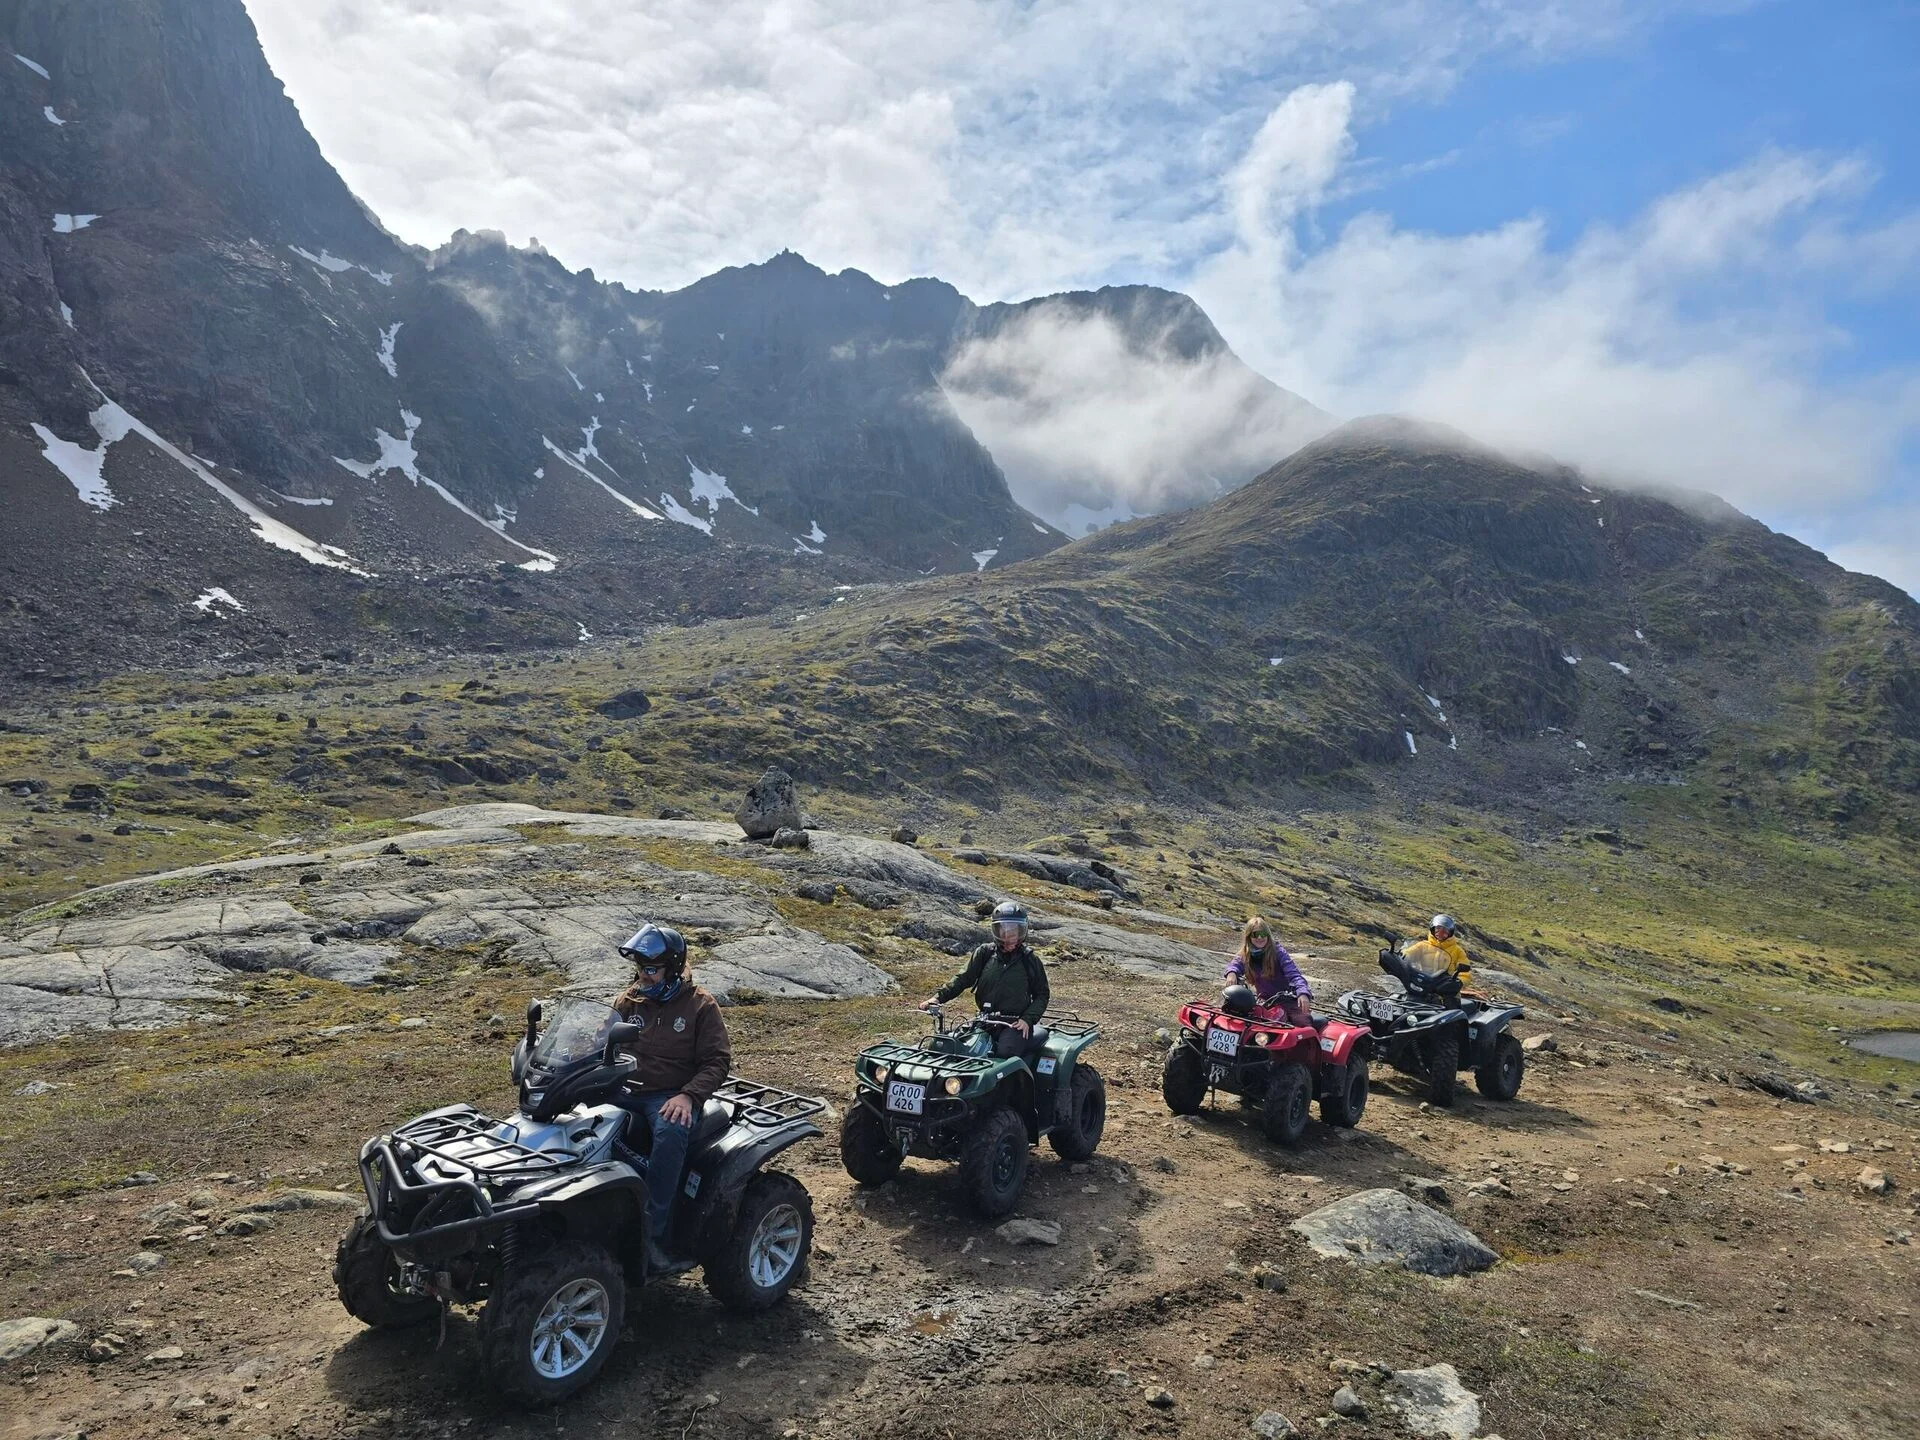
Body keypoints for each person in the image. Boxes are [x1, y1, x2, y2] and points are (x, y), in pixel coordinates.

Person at [611, 922, 731, 1273]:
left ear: (673, 968)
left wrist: (689, 1096)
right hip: (622, 1088)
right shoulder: (628, 1000)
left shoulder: (700, 1006)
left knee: (670, 1132)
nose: (643, 977)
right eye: (639, 969)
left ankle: (654, 1235)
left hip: (668, 1095)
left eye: (650, 969)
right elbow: (600, 1039)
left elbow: (717, 1061)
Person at [922, 899, 1049, 1056]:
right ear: (996, 931)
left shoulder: (1030, 960)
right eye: (1004, 930)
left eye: (1015, 931)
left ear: (1022, 931)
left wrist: (1027, 1020)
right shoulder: (985, 953)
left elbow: (1042, 995)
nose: (1010, 937)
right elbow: (962, 978)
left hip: (1016, 1024)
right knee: (957, 1047)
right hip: (985, 1020)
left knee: (1004, 1054)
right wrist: (937, 998)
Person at [1224, 915, 1312, 1024]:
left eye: (1263, 934)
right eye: (1255, 934)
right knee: (1241, 1020)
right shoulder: (1246, 954)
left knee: (1302, 1025)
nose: (1260, 938)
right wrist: (1231, 973)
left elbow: (1294, 974)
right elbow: (1235, 964)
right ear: (1249, 936)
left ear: (1268, 935)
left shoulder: (1278, 952)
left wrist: (1302, 992)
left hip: (1288, 1000)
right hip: (1264, 1001)